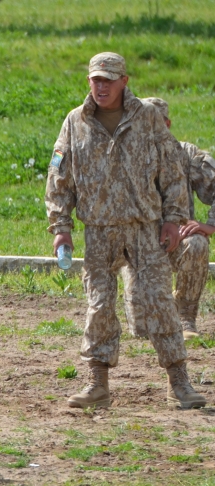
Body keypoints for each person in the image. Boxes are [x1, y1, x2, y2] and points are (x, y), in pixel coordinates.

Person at [45, 53, 205, 410]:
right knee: (99, 306)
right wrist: (61, 227)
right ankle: (97, 384)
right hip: (99, 230)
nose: (101, 86)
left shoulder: (148, 118)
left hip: (144, 229)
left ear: (124, 81)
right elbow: (59, 178)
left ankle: (178, 383)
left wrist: (172, 218)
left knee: (160, 302)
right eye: (95, 80)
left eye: (108, 80)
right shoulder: (75, 122)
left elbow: (173, 172)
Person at [121, 97, 215, 342]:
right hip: (137, 246)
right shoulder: (123, 156)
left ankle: (185, 316)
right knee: (141, 331)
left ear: (168, 124)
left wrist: (210, 225)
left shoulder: (187, 154)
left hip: (178, 239)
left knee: (197, 244)